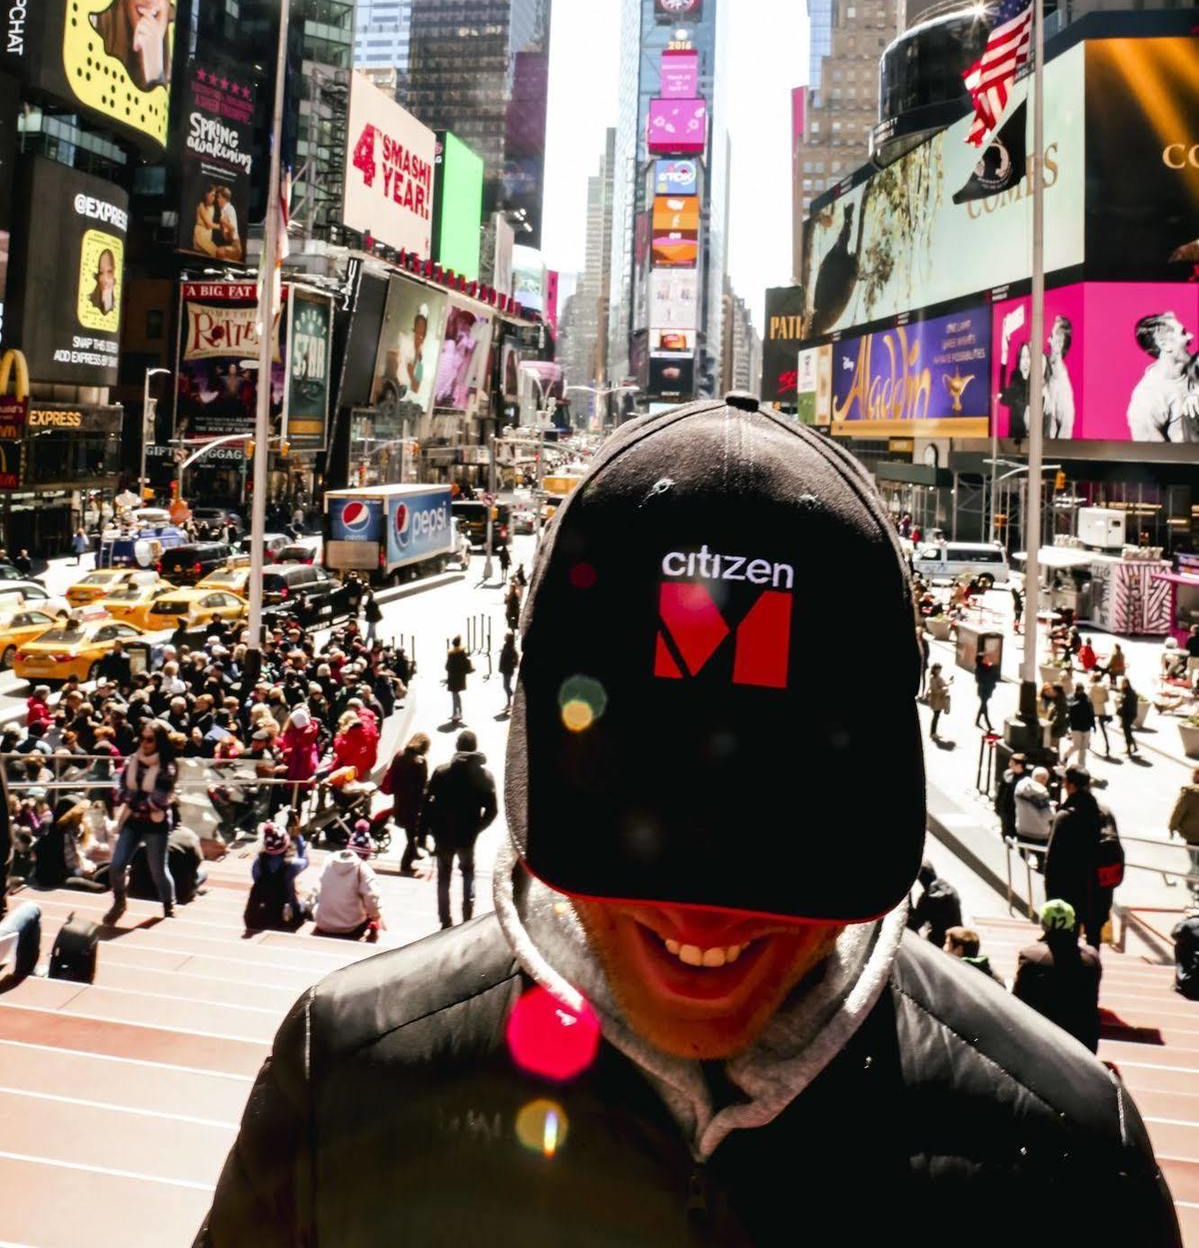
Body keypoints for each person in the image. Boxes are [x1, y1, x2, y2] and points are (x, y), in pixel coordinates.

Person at [198, 397, 1180, 1246]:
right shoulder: (338, 1078)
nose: (703, 916)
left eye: (779, 827)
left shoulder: (1074, 1163)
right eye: (648, 815)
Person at [420, 728, 497, 931]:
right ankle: (467, 915)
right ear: (475, 747)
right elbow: (492, 810)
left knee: (444, 877)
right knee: (468, 872)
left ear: (457, 747)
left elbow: (426, 804)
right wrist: (477, 828)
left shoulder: (442, 771)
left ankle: (445, 920)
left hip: (443, 835)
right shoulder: (484, 776)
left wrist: (422, 835)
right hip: (467, 836)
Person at [104, 720, 178, 922]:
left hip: (156, 825)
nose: (144, 743)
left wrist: (133, 797)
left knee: (158, 870)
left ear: (159, 742)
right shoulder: (131, 761)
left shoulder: (167, 766)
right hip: (132, 821)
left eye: (150, 740)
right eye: (142, 738)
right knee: (117, 865)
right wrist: (136, 798)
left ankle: (168, 904)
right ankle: (119, 900)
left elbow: (160, 799)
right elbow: (118, 790)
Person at [1013, 899, 1103, 1053]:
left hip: (1042, 1041)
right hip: (1083, 1041)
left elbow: (1017, 999)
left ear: (1043, 924)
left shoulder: (1031, 956)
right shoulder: (1092, 958)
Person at [1045, 768, 1120, 949]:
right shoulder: (1104, 813)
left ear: (1070, 786)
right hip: (1099, 891)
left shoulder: (1065, 817)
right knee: (1094, 940)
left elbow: (1052, 862)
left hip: (1069, 891)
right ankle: (1092, 971)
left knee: (1067, 943)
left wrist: (1051, 898)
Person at [1126, 310, 1199, 442]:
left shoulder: (1195, 367)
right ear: (1164, 344)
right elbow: (1153, 457)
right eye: (1183, 333)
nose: (1190, 336)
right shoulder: (1147, 398)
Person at [244, 821, 309, 932]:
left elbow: (256, 879)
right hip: (285, 913)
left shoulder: (258, 862)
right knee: (306, 903)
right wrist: (298, 837)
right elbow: (305, 861)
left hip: (263, 911)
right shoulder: (293, 864)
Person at [313, 837, 381, 941]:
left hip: (323, 924)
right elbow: (372, 898)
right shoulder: (363, 868)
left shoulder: (328, 862)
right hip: (350, 928)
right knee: (375, 909)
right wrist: (376, 916)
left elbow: (317, 889)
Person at [381, 733, 429, 875]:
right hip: (413, 802)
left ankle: (413, 852)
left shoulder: (400, 755)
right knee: (412, 832)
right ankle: (406, 863)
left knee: (410, 832)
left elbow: (392, 776)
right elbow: (422, 785)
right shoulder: (420, 761)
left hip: (399, 798)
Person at [906, 861, 962, 949]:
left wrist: (906, 895)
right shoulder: (950, 889)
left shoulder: (929, 898)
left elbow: (912, 923)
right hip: (958, 937)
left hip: (942, 944)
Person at [1168, 767, 1199, 896]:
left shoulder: (1189, 793)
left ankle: (1193, 878)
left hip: (1192, 834)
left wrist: (1172, 827)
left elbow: (1178, 811)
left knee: (1195, 858)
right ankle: (1193, 876)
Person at [995, 750, 1025, 841]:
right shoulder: (1007, 775)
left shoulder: (1025, 780)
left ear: (1019, 765)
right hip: (1006, 810)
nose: (1009, 765)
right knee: (1006, 835)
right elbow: (1001, 792)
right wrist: (997, 805)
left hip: (1017, 811)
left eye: (1012, 763)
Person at [1064, 683, 1095, 771]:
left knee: (1083, 748)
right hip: (1076, 727)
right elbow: (1068, 711)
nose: (1080, 691)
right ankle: (1065, 757)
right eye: (1078, 689)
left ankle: (1081, 766)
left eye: (1081, 689)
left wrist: (1093, 725)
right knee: (1076, 746)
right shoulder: (1071, 698)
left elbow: (1091, 712)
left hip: (1086, 727)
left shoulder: (1087, 699)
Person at [444, 635, 472, 726]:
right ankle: (458, 712)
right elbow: (465, 664)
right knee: (456, 695)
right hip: (460, 677)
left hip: (453, 678)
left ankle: (456, 713)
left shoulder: (451, 654)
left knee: (454, 696)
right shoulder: (462, 653)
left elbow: (447, 667)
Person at [1088, 669, 1112, 756]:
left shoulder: (1092, 688)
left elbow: (1089, 698)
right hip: (1102, 709)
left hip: (1093, 709)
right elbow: (1107, 699)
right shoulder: (1104, 688)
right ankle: (1107, 746)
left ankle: (1088, 742)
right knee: (1103, 730)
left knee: (1089, 726)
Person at [973, 653, 999, 732]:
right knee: (984, 706)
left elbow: (994, 677)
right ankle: (989, 725)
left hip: (988, 690)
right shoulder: (979, 669)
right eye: (985, 658)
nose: (987, 659)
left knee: (983, 706)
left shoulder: (989, 667)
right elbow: (979, 680)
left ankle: (977, 721)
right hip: (983, 691)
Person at [1118, 676, 1140, 759]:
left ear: (1127, 683)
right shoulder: (1126, 692)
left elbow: (1129, 704)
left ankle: (1129, 749)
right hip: (1127, 714)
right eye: (1122, 683)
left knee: (1127, 731)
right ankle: (1134, 746)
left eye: (1124, 683)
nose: (1122, 684)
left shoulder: (1130, 693)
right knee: (1127, 731)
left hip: (1128, 714)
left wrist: (1122, 705)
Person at [926, 661, 950, 739]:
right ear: (934, 669)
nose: (939, 671)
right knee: (936, 716)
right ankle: (933, 733)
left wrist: (949, 683)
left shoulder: (938, 677)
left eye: (940, 670)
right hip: (935, 700)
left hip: (939, 700)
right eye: (938, 669)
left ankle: (933, 732)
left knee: (936, 716)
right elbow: (935, 690)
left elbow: (943, 684)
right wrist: (944, 690)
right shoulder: (933, 678)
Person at [499, 629, 520, 712]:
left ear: (508, 638)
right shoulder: (506, 646)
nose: (504, 637)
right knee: (506, 686)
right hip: (505, 669)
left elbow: (516, 658)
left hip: (508, 670)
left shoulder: (511, 648)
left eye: (506, 636)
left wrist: (512, 664)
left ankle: (511, 700)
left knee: (506, 686)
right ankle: (509, 703)